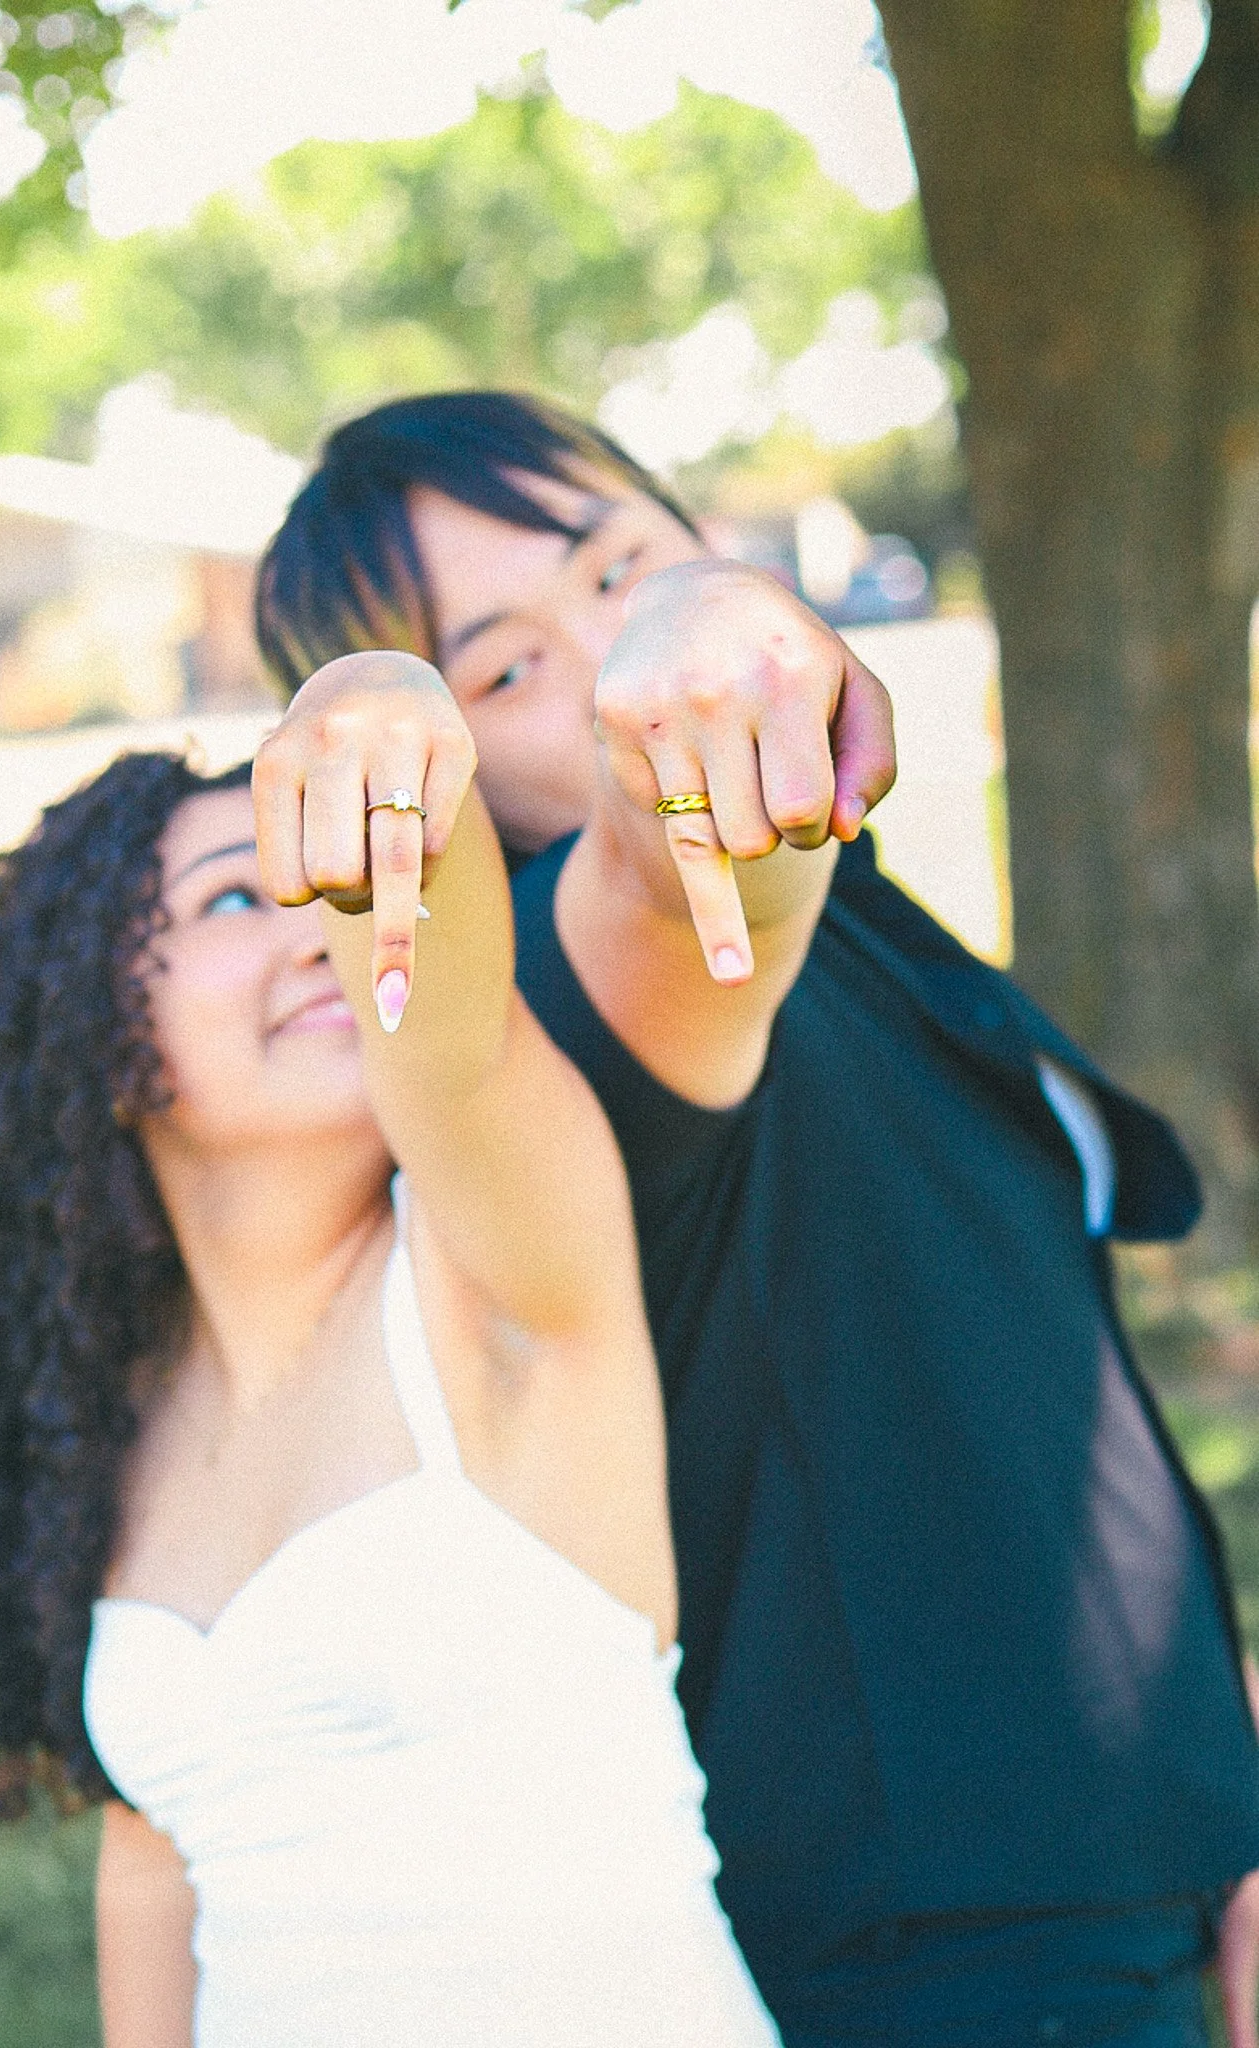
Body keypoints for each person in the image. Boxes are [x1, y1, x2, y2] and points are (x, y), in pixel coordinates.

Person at [254, 390, 1259, 2048]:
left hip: (1148, 1889)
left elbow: (1057, 1404)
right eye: (504, 669)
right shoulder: (595, 998)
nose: (605, 652)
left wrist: (1227, 1791)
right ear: (458, 772)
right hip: (945, 1962)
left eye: (622, 566)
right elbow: (675, 872)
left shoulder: (851, 916)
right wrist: (687, 650)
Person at [0, 680, 789, 2048]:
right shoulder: (114, 1405)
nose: (319, 928)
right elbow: (156, 1864)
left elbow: (456, 1020)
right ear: (85, 1019)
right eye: (238, 901)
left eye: (326, 878)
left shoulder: (489, 1277)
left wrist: (379, 706)